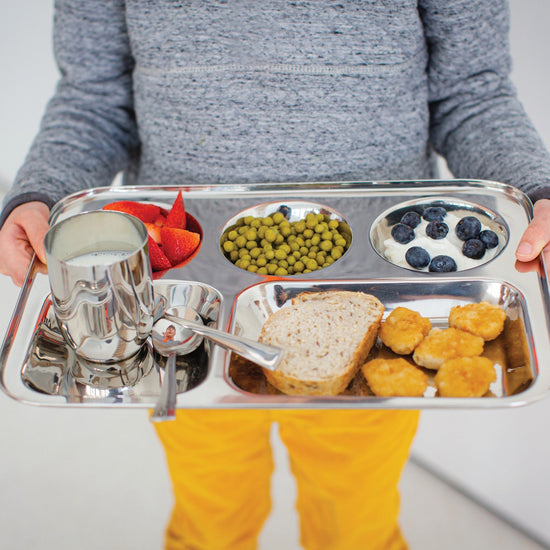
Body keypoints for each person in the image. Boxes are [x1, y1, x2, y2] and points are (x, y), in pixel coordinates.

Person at [1, 2, 550, 549]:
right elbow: (94, 102)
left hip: (367, 302)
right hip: (187, 310)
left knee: (356, 527)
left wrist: (536, 188)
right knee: (209, 525)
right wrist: (41, 192)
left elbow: (471, 94)